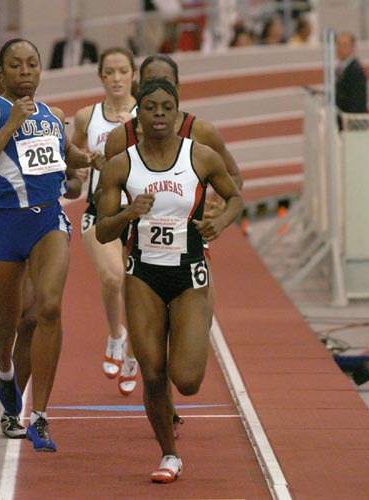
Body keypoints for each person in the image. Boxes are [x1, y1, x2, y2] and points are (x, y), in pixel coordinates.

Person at [96, 77, 243, 483]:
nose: (159, 114)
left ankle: (187, 333)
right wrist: (129, 213)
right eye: (150, 108)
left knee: (188, 380)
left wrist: (220, 222)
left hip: (189, 273)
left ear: (178, 115)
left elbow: (235, 197)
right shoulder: (121, 164)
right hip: (142, 274)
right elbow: (103, 231)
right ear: (138, 115)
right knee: (154, 372)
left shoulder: (202, 157)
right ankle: (169, 454)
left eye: (166, 107)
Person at [0, 38, 103, 452]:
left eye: (33, 64)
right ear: (1, 72)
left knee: (48, 309)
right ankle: (6, 376)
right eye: (16, 65)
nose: (26, 71)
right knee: (2, 327)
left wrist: (90, 159)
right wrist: (9, 125)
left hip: (48, 222)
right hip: (3, 226)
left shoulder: (53, 116)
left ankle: (38, 414)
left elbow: (67, 155)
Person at [70, 47, 139, 396]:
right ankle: (116, 335)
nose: (116, 79)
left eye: (122, 72)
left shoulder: (147, 116)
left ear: (133, 75)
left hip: (142, 212)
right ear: (100, 76)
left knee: (141, 290)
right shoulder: (87, 117)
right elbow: (73, 160)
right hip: (102, 210)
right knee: (113, 277)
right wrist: (83, 164)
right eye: (109, 72)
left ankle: (131, 354)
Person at [335, 32, 368, 130]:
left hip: (353, 125)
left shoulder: (355, 70)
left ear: (353, 47)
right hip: (343, 123)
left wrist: (352, 125)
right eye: (338, 44)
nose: (340, 48)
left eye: (344, 45)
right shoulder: (341, 68)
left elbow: (357, 101)